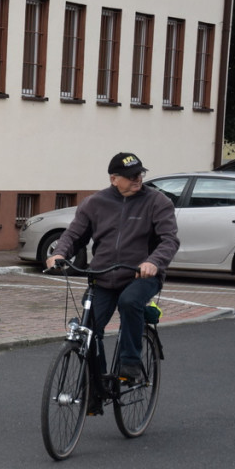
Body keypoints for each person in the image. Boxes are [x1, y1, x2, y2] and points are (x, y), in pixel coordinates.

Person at [46, 152, 179, 413]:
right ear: (114, 178)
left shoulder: (157, 202)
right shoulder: (95, 203)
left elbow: (169, 240)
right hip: (103, 276)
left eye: (140, 174)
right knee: (88, 329)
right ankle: (96, 388)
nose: (138, 179)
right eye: (131, 176)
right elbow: (74, 235)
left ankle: (130, 364)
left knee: (130, 302)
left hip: (141, 276)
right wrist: (59, 253)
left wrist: (154, 262)